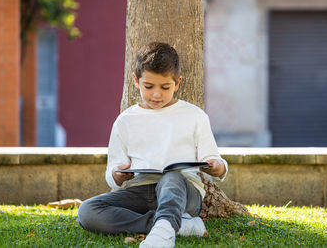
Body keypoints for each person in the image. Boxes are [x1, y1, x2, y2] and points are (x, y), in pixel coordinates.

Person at [78, 42, 228, 248]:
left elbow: (216, 163)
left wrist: (216, 166)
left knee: (172, 178)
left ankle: (162, 236)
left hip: (183, 193)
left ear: (177, 83)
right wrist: (118, 175)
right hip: (141, 190)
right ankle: (175, 226)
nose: (156, 94)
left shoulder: (195, 116)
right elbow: (113, 172)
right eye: (148, 86)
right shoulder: (125, 121)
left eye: (165, 87)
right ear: (136, 81)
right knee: (88, 211)